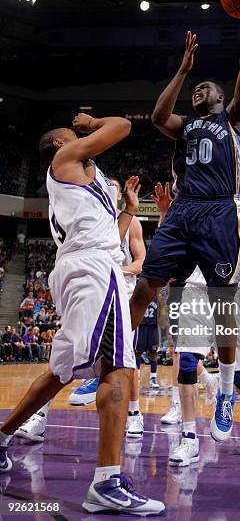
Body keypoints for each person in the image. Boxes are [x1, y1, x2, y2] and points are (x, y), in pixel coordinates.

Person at [0, 114, 164, 516]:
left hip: (84, 266)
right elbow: (123, 126)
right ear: (60, 144)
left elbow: (108, 230)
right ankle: (107, 482)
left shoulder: (78, 181)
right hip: (92, 270)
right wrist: (92, 123)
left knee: (62, 370)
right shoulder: (64, 159)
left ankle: (2, 437)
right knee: (120, 369)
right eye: (73, 136)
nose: (80, 138)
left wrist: (127, 210)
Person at [129, 0, 240, 443]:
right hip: (184, 211)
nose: (197, 91)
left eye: (204, 87)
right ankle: (115, 356)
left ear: (222, 97)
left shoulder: (236, 120)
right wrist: (183, 70)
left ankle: (226, 389)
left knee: (222, 306)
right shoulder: (184, 124)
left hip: (220, 212)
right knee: (146, 284)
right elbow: (156, 115)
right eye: (195, 88)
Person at [17, 176, 147, 442]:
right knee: (65, 354)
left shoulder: (129, 220)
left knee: (125, 358)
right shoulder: (87, 218)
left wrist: (114, 270)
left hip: (121, 291)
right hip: (91, 286)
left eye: (113, 187)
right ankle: (39, 417)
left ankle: (134, 415)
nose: (107, 190)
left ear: (118, 193)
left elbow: (141, 261)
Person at [156, 176, 240, 465]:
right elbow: (166, 247)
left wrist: (184, 211)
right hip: (194, 291)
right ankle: (189, 439)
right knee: (185, 363)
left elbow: (221, 239)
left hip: (231, 291)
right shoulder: (188, 205)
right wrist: (166, 215)